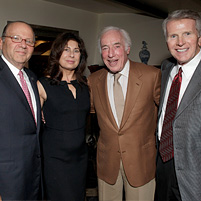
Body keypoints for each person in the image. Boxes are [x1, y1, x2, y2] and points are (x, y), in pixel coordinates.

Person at [88, 26, 161, 201]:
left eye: (116, 46)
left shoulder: (152, 75)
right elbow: (86, 112)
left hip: (141, 162)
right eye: (105, 48)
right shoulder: (93, 80)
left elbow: (167, 116)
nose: (111, 53)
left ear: (128, 49)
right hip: (107, 164)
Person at [37, 32, 90, 201]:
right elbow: (32, 123)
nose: (71, 55)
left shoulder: (85, 85)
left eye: (76, 50)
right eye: (66, 50)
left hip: (80, 158)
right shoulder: (43, 85)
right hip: (54, 159)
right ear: (57, 53)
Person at [155, 9, 201, 201]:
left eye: (187, 34)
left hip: (194, 174)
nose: (180, 42)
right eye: (173, 36)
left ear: (200, 37)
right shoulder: (167, 69)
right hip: (163, 165)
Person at [0, 21, 42, 200]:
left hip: (32, 178)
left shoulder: (31, 77)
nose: (23, 45)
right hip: (5, 183)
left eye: (29, 41)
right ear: (1, 42)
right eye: (16, 38)